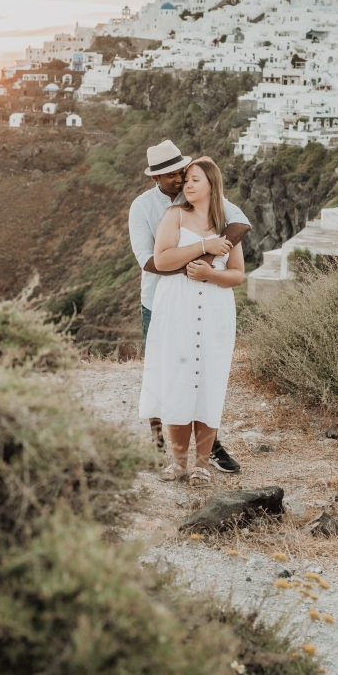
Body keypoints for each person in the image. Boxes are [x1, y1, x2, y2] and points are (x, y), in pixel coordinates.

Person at [128, 139, 250, 473]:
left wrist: (209, 266)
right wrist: (192, 268)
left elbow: (239, 226)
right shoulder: (143, 207)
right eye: (171, 176)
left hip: (205, 299)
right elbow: (150, 261)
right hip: (158, 299)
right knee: (162, 375)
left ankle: (209, 450)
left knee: (202, 373)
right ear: (156, 179)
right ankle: (159, 445)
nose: (180, 180)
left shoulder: (204, 198)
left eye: (182, 172)